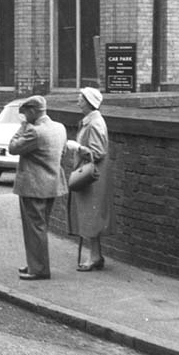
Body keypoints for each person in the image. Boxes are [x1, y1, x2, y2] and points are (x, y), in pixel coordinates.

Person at [8, 95, 68, 280]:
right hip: (51, 184)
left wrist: (23, 126)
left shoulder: (34, 132)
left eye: (25, 113)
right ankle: (35, 264)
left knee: (34, 227)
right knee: (41, 226)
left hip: (33, 186)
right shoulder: (59, 128)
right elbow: (64, 151)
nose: (24, 116)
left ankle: (39, 269)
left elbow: (12, 147)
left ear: (33, 111)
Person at [66, 86, 114, 271]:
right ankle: (96, 255)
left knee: (91, 216)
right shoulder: (91, 121)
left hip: (93, 178)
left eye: (81, 97)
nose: (78, 100)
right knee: (89, 215)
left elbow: (98, 152)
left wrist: (77, 147)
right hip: (90, 176)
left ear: (88, 102)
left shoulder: (95, 123)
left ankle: (94, 257)